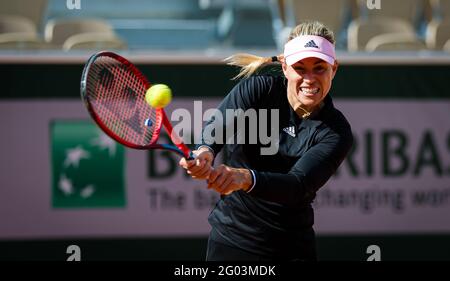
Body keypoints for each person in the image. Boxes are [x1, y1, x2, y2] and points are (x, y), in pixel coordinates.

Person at [179, 21, 353, 261]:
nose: (309, 79)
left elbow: (297, 186)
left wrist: (245, 178)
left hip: (293, 249)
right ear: (284, 67)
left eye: (319, 68)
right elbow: (216, 128)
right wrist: (204, 152)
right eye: (300, 68)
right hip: (233, 241)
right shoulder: (258, 89)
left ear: (334, 68)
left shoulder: (336, 131)